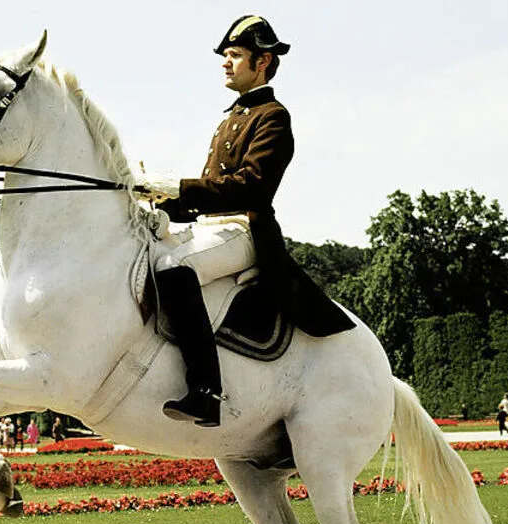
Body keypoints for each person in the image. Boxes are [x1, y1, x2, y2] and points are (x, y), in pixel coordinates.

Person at [137, 15, 354, 428]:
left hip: (244, 229)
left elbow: (250, 187)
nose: (225, 63)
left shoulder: (273, 117)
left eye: (235, 55)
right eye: (226, 56)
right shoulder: (228, 119)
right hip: (209, 226)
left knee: (174, 269)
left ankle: (206, 391)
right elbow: (209, 190)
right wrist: (156, 199)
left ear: (262, 62)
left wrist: (178, 187)